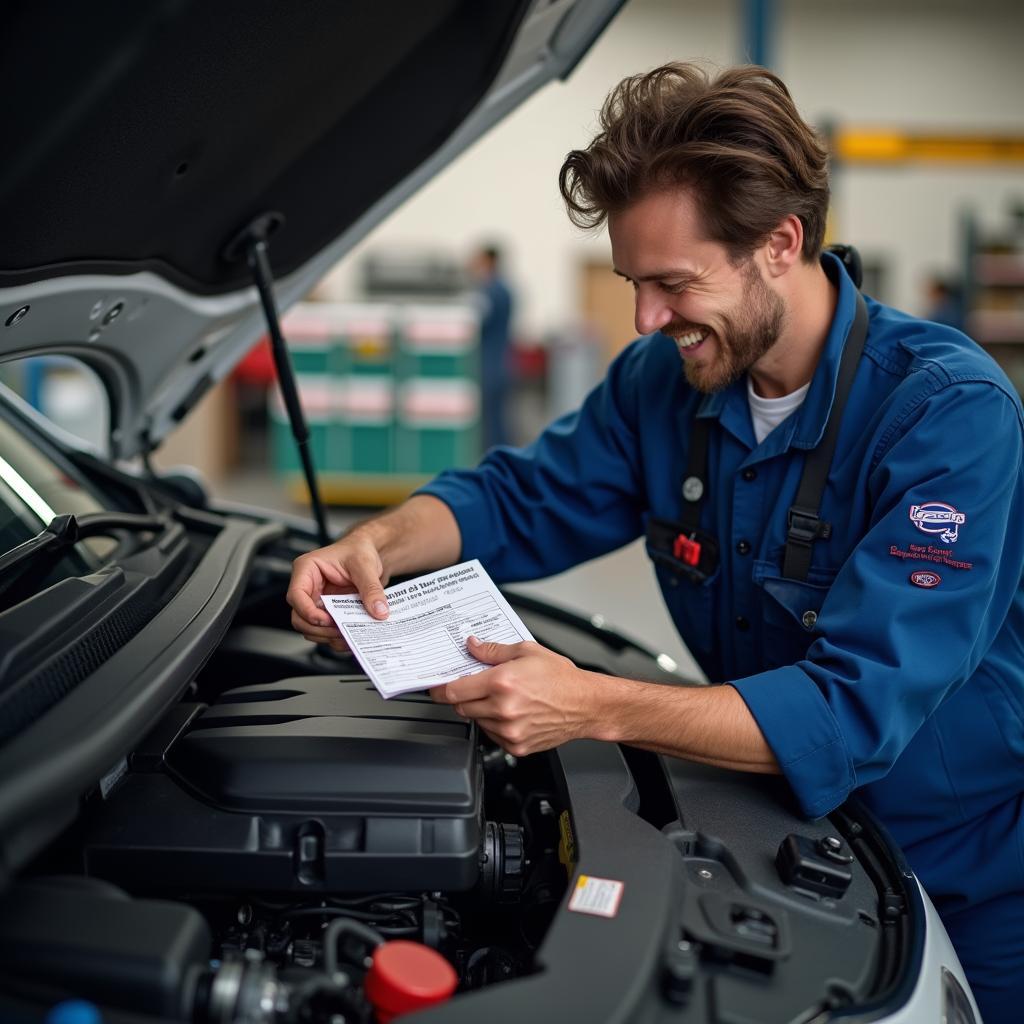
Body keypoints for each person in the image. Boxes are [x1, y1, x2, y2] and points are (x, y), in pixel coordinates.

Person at [288, 64, 1024, 1019]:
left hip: (967, 875)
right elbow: (517, 498)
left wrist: (589, 704)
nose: (645, 321)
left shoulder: (946, 415)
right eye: (633, 283)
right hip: (778, 839)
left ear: (779, 243)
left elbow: (850, 707)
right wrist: (379, 544)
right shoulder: (661, 383)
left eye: (674, 284)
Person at [469, 244, 514, 449]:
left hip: (490, 366)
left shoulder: (490, 291)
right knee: (497, 419)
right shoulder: (504, 289)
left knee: (491, 424)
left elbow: (476, 322)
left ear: (488, 261)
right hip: (502, 363)